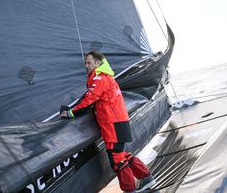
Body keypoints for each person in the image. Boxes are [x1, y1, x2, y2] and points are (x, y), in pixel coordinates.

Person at [60, 50, 156, 192]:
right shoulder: (104, 77)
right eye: (85, 63)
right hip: (118, 123)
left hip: (113, 125)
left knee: (117, 160)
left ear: (98, 63)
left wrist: (70, 113)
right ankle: (147, 178)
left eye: (89, 62)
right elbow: (89, 97)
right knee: (122, 155)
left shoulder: (100, 79)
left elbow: (88, 100)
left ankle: (130, 190)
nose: (86, 65)